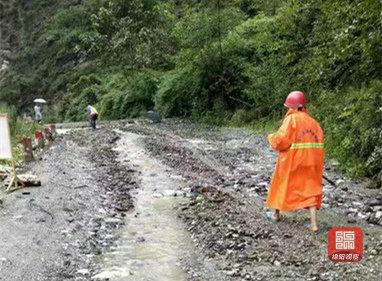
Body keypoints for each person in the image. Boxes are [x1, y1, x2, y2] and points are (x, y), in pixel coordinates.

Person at [265, 91, 324, 232]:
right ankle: (314, 225)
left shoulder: (291, 120)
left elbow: (281, 140)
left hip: (293, 161)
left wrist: (270, 138)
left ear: (292, 107)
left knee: (282, 184)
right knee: (310, 190)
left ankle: (276, 214)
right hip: (312, 163)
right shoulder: (315, 123)